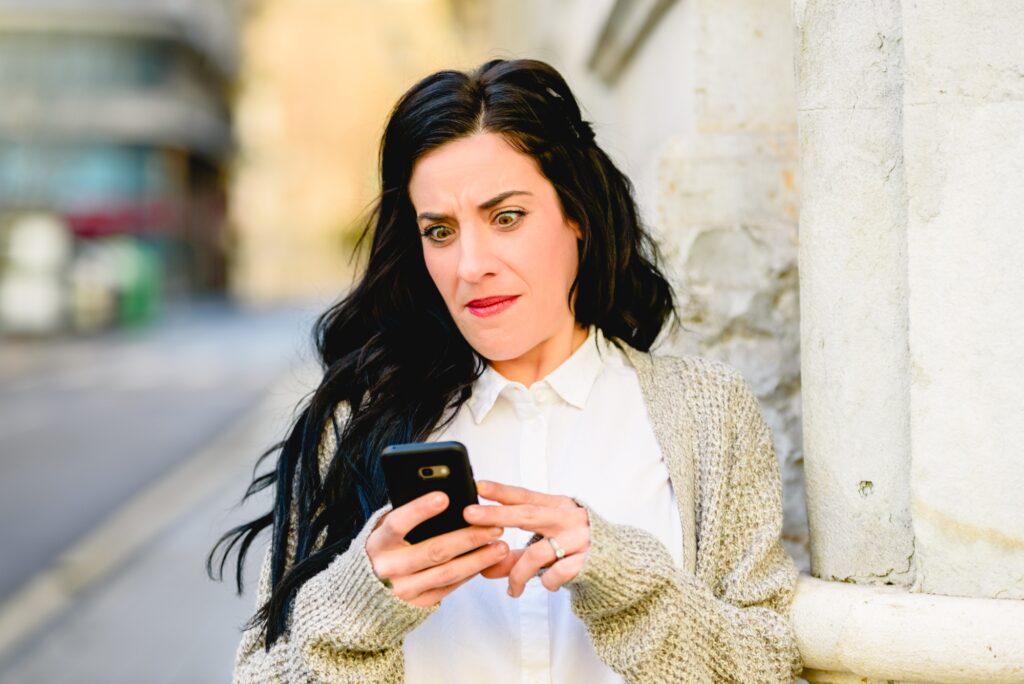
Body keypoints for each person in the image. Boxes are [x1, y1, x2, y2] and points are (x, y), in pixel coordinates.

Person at [208, 57, 802, 683]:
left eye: (506, 218)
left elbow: (767, 662)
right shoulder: (358, 426)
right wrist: (360, 607)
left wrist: (626, 580)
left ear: (576, 213)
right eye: (440, 231)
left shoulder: (705, 413)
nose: (471, 265)